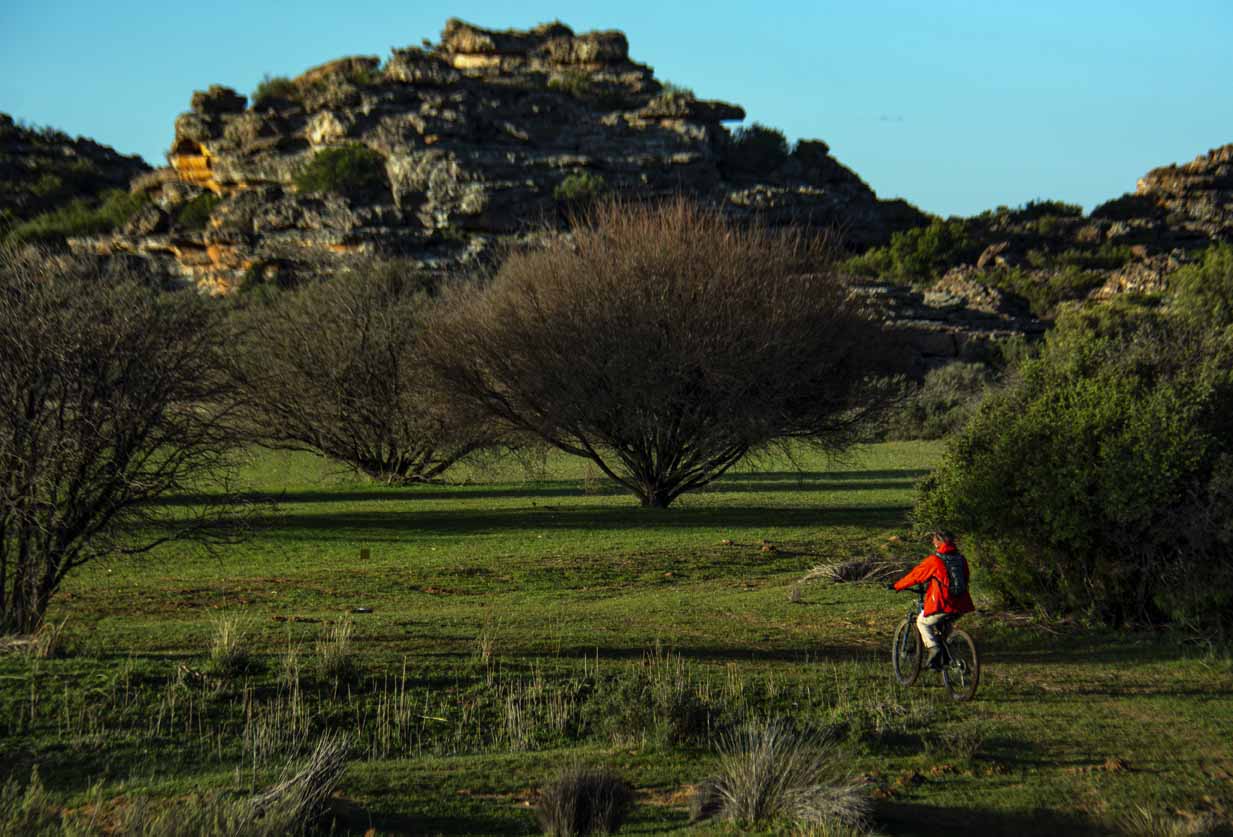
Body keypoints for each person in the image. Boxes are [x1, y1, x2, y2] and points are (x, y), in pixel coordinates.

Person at [888, 530, 974, 670]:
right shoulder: (961, 559)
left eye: (934, 540)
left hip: (943, 604)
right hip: (961, 605)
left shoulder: (935, 560)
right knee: (944, 627)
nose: (933, 543)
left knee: (922, 622)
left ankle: (934, 649)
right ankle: (945, 656)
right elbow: (966, 578)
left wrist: (897, 585)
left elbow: (916, 576)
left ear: (940, 542)